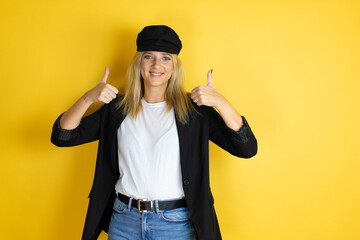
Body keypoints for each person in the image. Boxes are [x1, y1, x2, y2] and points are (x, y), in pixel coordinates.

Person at [51, 25, 257, 240]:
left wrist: (221, 103)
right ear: (138, 62)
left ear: (174, 66)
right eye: (148, 56)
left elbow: (246, 148)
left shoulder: (195, 111)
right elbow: (63, 137)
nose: (157, 64)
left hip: (175, 224)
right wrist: (87, 99)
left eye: (166, 58)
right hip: (124, 221)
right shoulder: (117, 109)